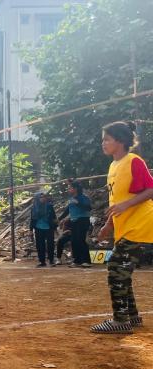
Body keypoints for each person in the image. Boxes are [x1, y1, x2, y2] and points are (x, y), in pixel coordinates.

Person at [92, 121, 153, 334]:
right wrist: (108, 225)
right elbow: (116, 200)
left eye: (107, 139)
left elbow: (150, 189)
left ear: (120, 141)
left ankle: (120, 321)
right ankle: (132, 316)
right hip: (125, 227)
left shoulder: (133, 160)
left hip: (140, 224)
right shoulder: (113, 166)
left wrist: (126, 205)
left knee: (116, 268)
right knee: (122, 270)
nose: (103, 143)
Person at [58, 180, 92, 268]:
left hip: (82, 220)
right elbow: (67, 210)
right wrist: (59, 218)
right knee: (74, 241)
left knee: (81, 240)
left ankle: (86, 261)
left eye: (70, 188)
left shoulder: (83, 197)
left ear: (75, 189)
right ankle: (77, 260)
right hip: (74, 221)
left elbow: (88, 208)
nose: (68, 189)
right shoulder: (71, 199)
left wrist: (77, 202)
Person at [30, 192, 58, 268]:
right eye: (41, 197)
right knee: (40, 245)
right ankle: (42, 261)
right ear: (37, 199)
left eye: (44, 197)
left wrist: (55, 228)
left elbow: (54, 217)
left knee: (50, 244)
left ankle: (51, 261)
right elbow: (32, 219)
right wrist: (30, 230)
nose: (43, 198)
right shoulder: (34, 208)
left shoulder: (49, 206)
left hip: (49, 227)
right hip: (38, 228)